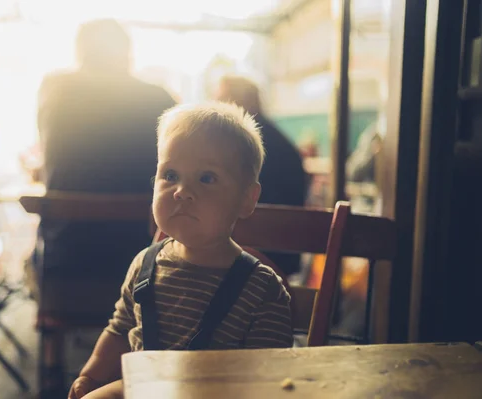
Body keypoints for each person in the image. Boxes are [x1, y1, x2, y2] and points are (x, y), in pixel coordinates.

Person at [68, 102, 293, 399]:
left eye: (206, 178)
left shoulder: (263, 291)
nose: (181, 191)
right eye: (170, 175)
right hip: (143, 389)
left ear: (246, 199)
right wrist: (90, 375)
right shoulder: (145, 264)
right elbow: (121, 330)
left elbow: (270, 381)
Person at [33, 19, 176, 284]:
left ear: (80, 53)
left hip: (65, 260)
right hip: (143, 263)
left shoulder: (55, 91)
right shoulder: (159, 99)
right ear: (127, 54)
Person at [216, 75, 307, 275]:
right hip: (284, 256)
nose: (216, 107)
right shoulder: (278, 140)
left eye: (221, 99)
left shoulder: (242, 143)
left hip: (252, 258)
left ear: (238, 102)